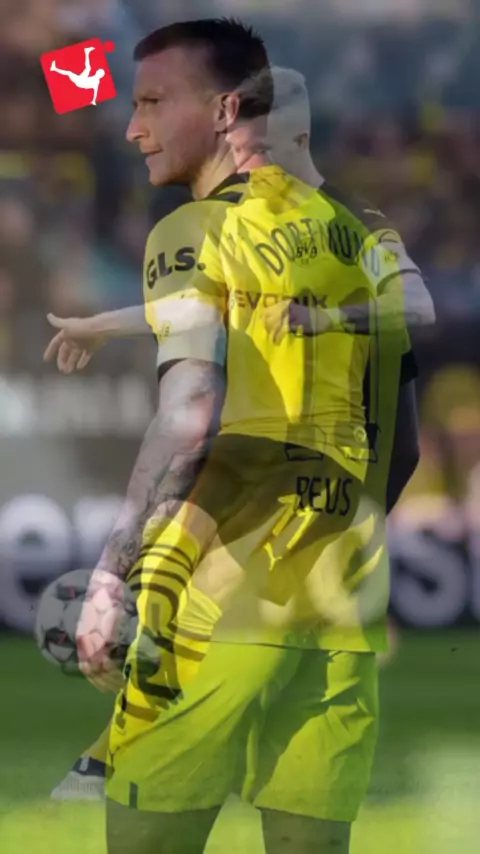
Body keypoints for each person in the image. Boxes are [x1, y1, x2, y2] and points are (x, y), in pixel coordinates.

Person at [45, 23, 429, 853]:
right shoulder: (359, 235)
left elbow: (191, 414)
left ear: (224, 111)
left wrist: (112, 574)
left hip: (221, 580)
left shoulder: (194, 231)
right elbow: (403, 445)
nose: (133, 127)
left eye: (153, 103)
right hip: (343, 586)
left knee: (148, 838)